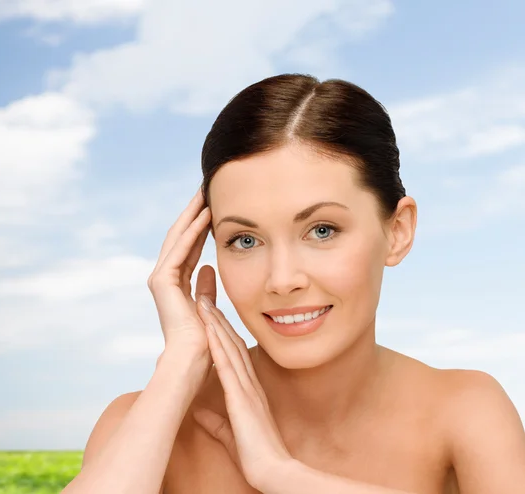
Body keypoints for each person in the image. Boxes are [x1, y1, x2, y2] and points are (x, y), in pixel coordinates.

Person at [62, 75, 525, 494]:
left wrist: (283, 475)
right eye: (245, 239)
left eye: (322, 230)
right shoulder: (141, 427)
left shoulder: (464, 414)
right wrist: (180, 363)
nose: (282, 281)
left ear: (397, 231)